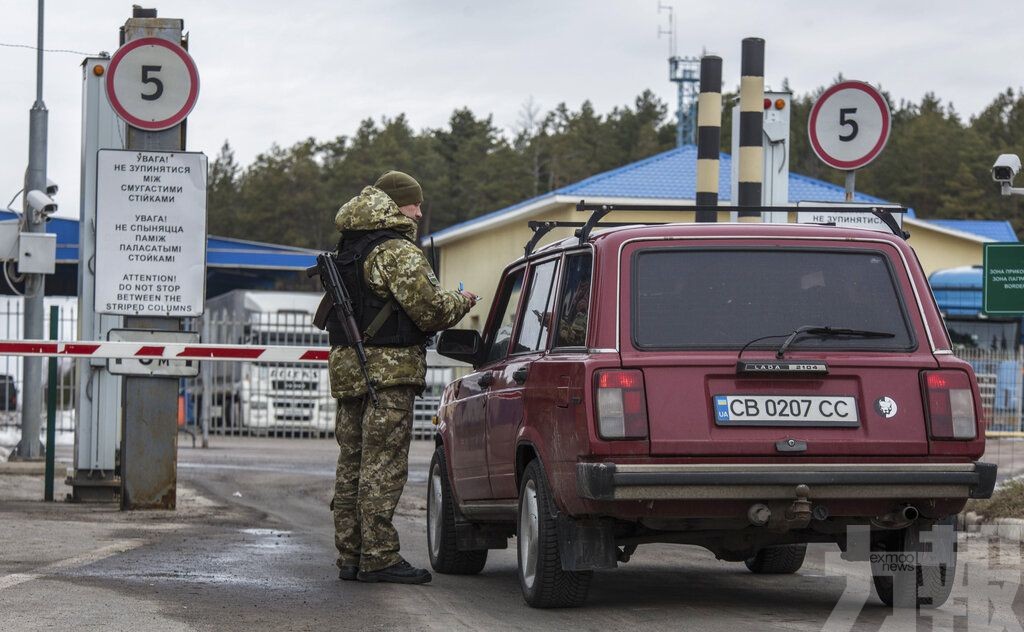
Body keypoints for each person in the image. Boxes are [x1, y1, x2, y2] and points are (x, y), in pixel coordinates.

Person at [326, 170, 477, 585]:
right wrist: (461, 301)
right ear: (397, 205)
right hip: (387, 374)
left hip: (350, 370)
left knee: (353, 462)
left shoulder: (350, 246)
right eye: (415, 203)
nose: (420, 210)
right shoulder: (397, 250)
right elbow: (430, 310)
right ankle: (379, 557)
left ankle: (351, 554)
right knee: (384, 463)